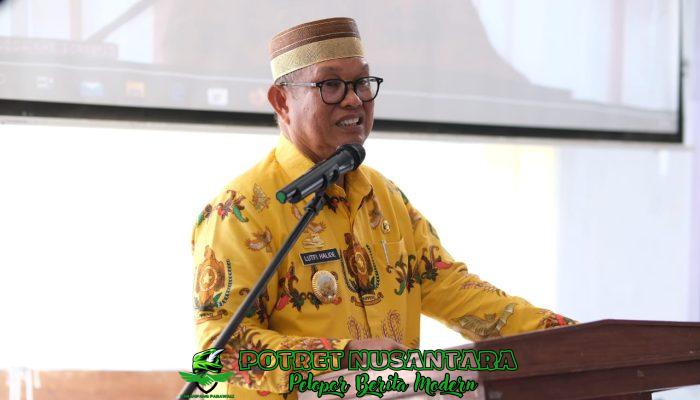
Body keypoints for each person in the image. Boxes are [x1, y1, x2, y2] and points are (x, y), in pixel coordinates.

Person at [191, 17, 575, 398]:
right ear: (281, 101)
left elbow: (457, 292)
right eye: (331, 85)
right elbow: (220, 350)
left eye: (362, 83)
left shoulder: (385, 198)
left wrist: (571, 337)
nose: (354, 99)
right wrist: (345, 356)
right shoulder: (240, 210)